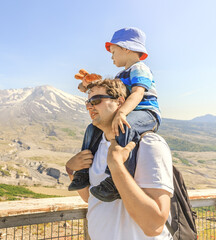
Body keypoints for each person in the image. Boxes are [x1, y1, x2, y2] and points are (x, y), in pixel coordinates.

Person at [66, 79, 174, 239]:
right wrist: (70, 170)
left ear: (120, 102)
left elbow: (154, 226)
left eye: (96, 100)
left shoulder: (148, 144)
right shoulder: (97, 145)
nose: (89, 106)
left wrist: (116, 167)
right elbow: (94, 200)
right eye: (88, 102)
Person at [69, 27, 161, 202]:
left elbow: (138, 94)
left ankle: (116, 180)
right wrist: (89, 85)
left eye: (113, 51)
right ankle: (82, 172)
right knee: (91, 129)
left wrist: (122, 113)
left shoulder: (139, 68)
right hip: (129, 111)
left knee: (126, 126)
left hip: (145, 113)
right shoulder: (121, 75)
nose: (111, 56)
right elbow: (109, 93)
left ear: (126, 48)